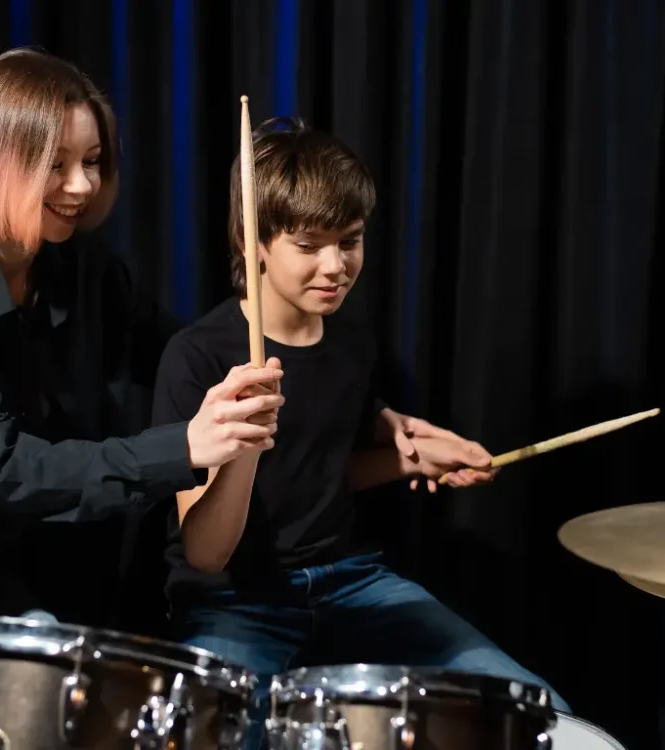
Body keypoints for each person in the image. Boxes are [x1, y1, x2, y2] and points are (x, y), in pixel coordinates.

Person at [0, 48, 283, 669]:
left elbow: (192, 355)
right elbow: (5, 467)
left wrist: (356, 401)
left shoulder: (85, 270)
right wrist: (184, 447)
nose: (82, 186)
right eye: (57, 165)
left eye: (93, 162)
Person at [150, 117, 571, 747]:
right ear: (253, 240)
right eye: (309, 244)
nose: (336, 266)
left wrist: (413, 462)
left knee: (536, 713)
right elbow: (206, 553)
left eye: (350, 241)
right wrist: (241, 444)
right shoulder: (198, 358)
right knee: (210, 736)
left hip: (350, 583)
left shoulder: (351, 343)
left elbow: (321, 474)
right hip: (236, 601)